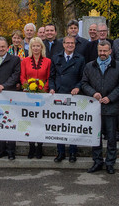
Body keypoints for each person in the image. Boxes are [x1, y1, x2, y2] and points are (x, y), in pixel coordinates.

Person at [82, 41, 119, 174]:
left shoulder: (118, 66)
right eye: (100, 51)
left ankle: (110, 163)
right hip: (95, 108)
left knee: (111, 137)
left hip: (111, 107)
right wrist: (93, 93)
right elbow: (84, 83)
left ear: (110, 51)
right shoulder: (89, 66)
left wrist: (110, 97)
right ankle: (97, 161)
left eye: (105, 51)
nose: (102, 54)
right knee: (96, 137)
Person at [49, 35, 86, 163]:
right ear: (63, 44)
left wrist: (77, 87)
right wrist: (52, 88)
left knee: (72, 125)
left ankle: (72, 152)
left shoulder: (80, 59)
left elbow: (83, 78)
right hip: (59, 94)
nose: (70, 45)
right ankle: (60, 152)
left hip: (73, 96)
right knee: (60, 125)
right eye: (68, 43)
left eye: (72, 43)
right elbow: (51, 76)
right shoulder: (56, 58)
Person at [0, 37, 21, 160]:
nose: (0, 49)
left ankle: (11, 150)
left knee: (10, 123)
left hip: (9, 95)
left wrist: (5, 85)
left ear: (7, 47)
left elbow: (15, 75)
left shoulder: (15, 60)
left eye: (3, 46)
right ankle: (1, 149)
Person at [20, 37, 52, 158]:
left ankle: (40, 146)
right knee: (30, 121)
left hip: (43, 95)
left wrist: (44, 89)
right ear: (31, 48)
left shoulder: (48, 61)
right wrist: (28, 87)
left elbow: (49, 77)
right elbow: (22, 77)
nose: (36, 48)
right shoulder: (25, 61)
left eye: (38, 46)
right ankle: (31, 146)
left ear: (42, 47)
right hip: (29, 95)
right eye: (33, 46)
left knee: (41, 121)